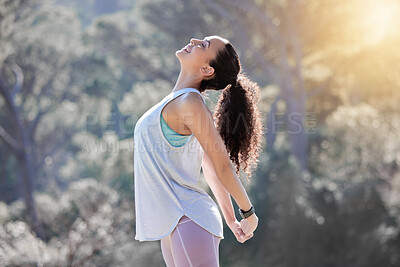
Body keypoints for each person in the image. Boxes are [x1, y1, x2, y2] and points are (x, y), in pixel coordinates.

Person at [133, 35, 263, 267]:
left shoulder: (190, 103)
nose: (194, 40)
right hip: (173, 224)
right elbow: (210, 167)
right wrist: (231, 219)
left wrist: (248, 213)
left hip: (188, 220)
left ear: (206, 69)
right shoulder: (179, 101)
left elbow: (222, 164)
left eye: (203, 45)